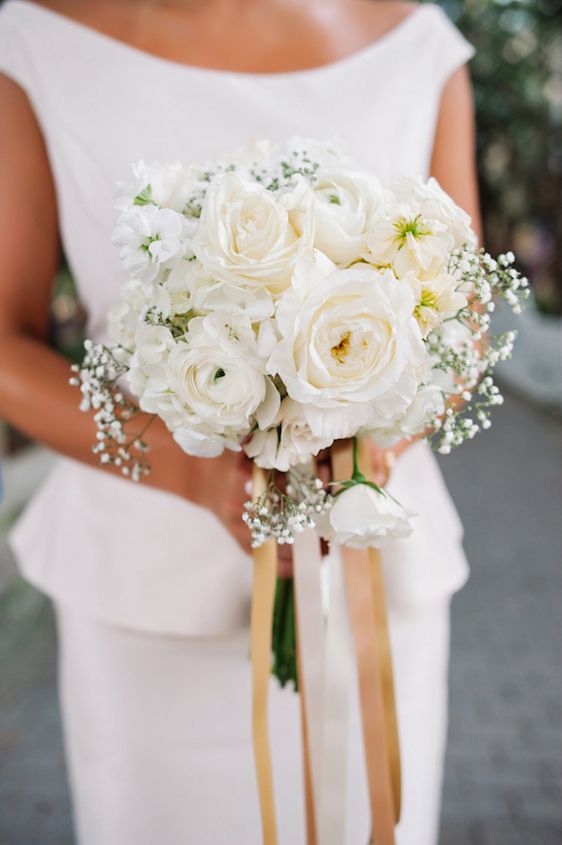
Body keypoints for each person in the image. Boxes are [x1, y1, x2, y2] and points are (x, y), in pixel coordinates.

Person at [0, 1, 482, 843]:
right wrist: (189, 468)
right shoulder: (37, 41)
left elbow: (464, 317)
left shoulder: (419, 45)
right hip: (144, 584)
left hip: (373, 577)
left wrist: (366, 458)